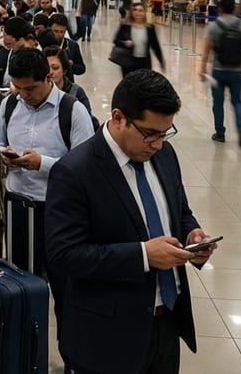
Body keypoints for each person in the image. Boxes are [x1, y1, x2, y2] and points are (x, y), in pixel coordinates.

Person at [46, 70, 217, 374]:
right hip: (107, 334)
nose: (158, 144)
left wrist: (192, 234)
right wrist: (143, 255)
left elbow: (179, 211)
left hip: (166, 322)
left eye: (165, 133)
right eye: (150, 134)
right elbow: (64, 255)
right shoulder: (75, 171)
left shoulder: (164, 155)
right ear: (118, 118)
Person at [0, 49, 94, 280]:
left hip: (56, 210)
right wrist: (3, 155)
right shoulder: (10, 104)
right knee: (18, 278)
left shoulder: (73, 110)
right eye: (18, 88)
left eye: (30, 88)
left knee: (60, 278)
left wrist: (42, 164)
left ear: (48, 77)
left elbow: (85, 167)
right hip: (16, 206)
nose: (23, 95)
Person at [197, 0, 241, 146]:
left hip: (218, 71)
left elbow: (206, 50)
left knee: (218, 103)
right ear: (234, 8)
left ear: (220, 8)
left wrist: (202, 67)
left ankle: (220, 133)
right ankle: (240, 127)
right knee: (237, 101)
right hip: (237, 71)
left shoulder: (214, 26)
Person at [113, 2, 165, 76]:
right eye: (135, 10)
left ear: (144, 13)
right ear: (131, 12)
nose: (138, 13)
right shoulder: (125, 26)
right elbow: (116, 40)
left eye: (140, 10)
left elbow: (155, 45)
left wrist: (161, 61)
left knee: (144, 82)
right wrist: (124, 43)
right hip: (128, 63)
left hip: (144, 64)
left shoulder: (150, 28)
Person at [42, 46, 92, 120]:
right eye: (46, 68)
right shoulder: (37, 92)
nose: (50, 72)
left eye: (55, 68)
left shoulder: (76, 92)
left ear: (64, 70)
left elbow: (87, 119)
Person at [49, 13, 86, 83]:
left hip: (67, 85)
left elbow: (82, 69)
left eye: (62, 32)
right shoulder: (43, 45)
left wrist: (71, 65)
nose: (59, 35)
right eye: (55, 31)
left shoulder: (72, 46)